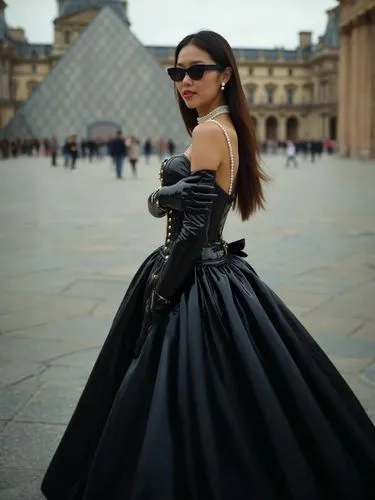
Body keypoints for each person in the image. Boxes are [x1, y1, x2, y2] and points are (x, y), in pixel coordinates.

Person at [41, 30, 375, 500]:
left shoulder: (206, 131)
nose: (185, 80)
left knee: (161, 392)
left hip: (191, 274)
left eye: (197, 70)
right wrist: (162, 198)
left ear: (225, 75)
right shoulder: (230, 129)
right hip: (223, 273)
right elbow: (198, 213)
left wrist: (159, 293)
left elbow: (192, 230)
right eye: (178, 71)